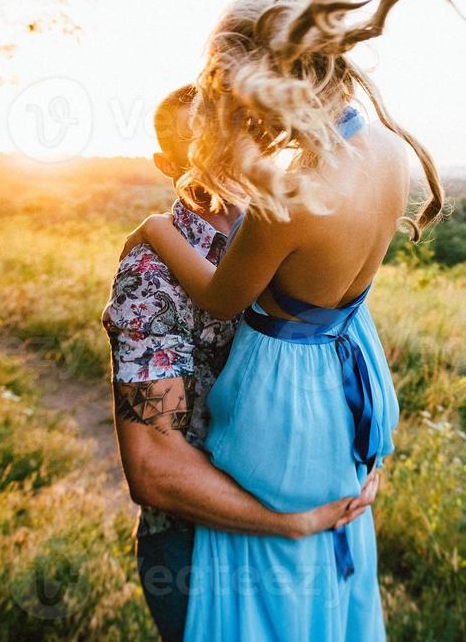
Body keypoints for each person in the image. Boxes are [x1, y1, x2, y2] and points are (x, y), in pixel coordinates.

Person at [133, 0, 464, 640]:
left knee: (263, 585)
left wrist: (155, 228)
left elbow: (222, 298)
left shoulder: (298, 195)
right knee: (321, 581)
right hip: (347, 371)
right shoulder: (383, 150)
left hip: (286, 395)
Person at [103, 84, 378, 642]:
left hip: (324, 528)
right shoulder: (150, 279)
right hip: (206, 547)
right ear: (166, 163)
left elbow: (343, 360)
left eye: (240, 132)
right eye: (202, 143)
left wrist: (362, 461)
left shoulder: (297, 235)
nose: (226, 154)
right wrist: (291, 523)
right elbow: (154, 469)